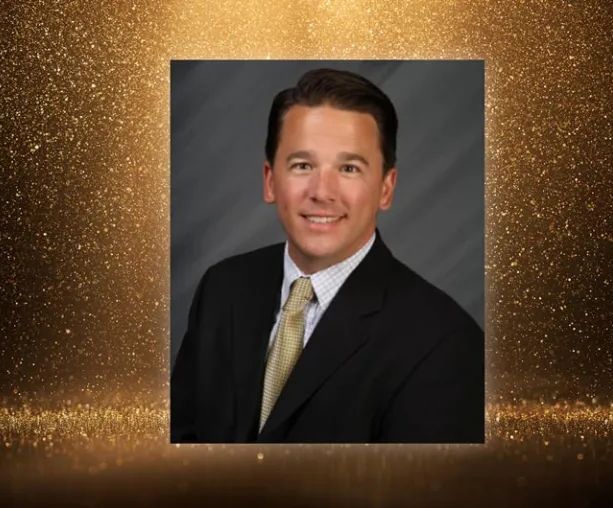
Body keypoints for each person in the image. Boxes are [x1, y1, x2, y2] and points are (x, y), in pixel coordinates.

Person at [170, 67, 484, 443]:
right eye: (303, 165)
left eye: (349, 168)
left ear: (386, 189)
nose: (322, 192)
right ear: (270, 181)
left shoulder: (444, 344)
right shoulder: (222, 289)